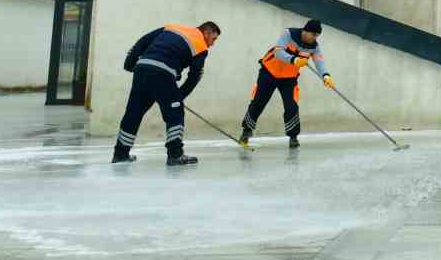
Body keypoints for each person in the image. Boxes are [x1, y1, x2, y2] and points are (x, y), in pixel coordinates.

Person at [113, 21, 221, 166]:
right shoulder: (201, 46)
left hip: (142, 69)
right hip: (163, 74)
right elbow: (195, 76)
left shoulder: (172, 28)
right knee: (175, 114)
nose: (212, 44)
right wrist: (179, 96)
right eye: (213, 39)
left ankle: (120, 154)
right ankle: (175, 155)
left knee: (133, 113)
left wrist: (130, 64)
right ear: (206, 33)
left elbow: (142, 42)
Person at [239, 19, 335, 149]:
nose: (315, 38)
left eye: (317, 36)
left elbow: (319, 61)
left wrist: (326, 75)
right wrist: (294, 60)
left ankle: (293, 137)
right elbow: (278, 52)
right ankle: (246, 131)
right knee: (258, 102)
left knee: (292, 106)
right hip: (269, 72)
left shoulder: (314, 47)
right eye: (314, 35)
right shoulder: (289, 34)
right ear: (306, 31)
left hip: (289, 79)